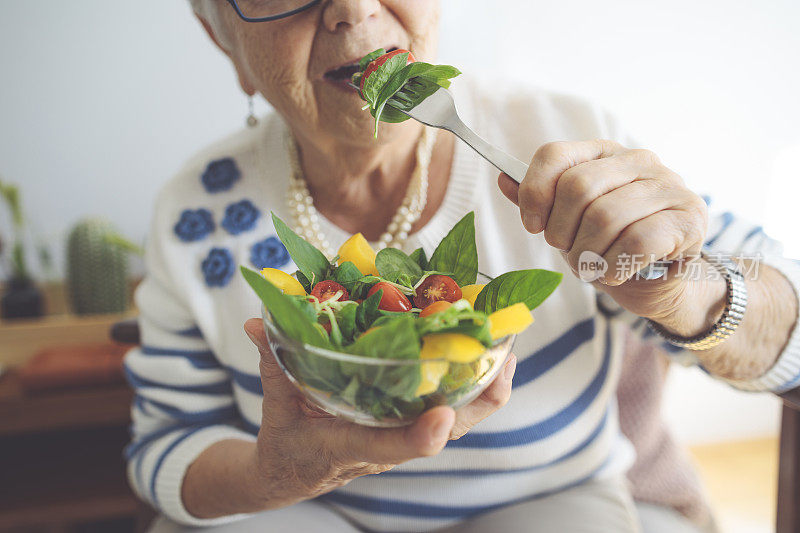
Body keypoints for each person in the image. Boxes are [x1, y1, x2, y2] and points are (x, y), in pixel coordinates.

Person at [124, 1, 800, 531]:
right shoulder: (196, 211)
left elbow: (789, 330)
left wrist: (687, 292)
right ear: (221, 37)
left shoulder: (556, 138)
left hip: (552, 499)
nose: (353, 8)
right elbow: (167, 444)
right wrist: (274, 476)